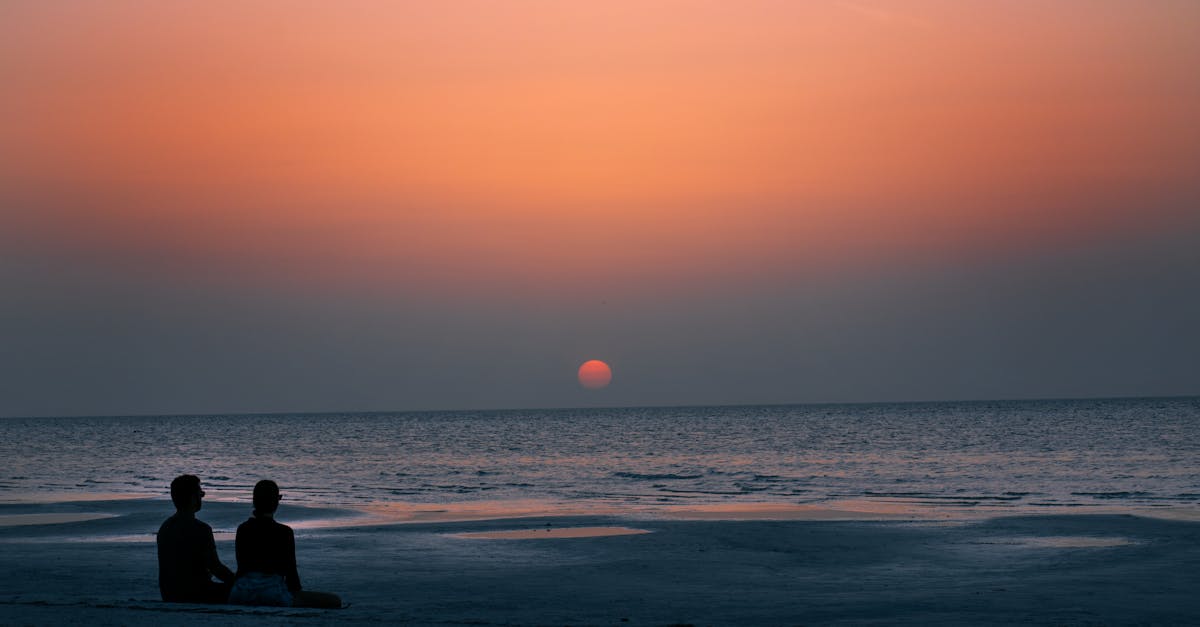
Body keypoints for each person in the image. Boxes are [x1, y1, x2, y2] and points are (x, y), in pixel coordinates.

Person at [228, 480, 342, 608]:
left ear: (254, 501)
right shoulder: (285, 532)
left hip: (241, 592)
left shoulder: (243, 528)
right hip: (272, 592)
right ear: (277, 502)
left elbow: (241, 567)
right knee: (334, 600)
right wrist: (295, 593)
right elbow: (291, 573)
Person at [157, 474, 235, 603]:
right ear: (193, 498)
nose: (202, 497)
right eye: (200, 494)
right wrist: (237, 581)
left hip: (169, 593)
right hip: (196, 593)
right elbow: (216, 567)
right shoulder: (201, 529)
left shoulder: (165, 527)